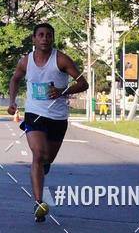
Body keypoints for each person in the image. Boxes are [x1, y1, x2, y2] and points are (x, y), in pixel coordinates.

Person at [8, 23, 88, 222]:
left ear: (53, 39)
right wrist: (12, 102)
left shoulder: (61, 59)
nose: (45, 38)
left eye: (49, 35)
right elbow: (15, 79)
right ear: (34, 39)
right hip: (34, 113)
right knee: (38, 154)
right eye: (41, 35)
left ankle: (43, 168)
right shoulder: (26, 61)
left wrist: (63, 91)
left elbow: (83, 83)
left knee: (47, 159)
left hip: (57, 117)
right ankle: (38, 203)